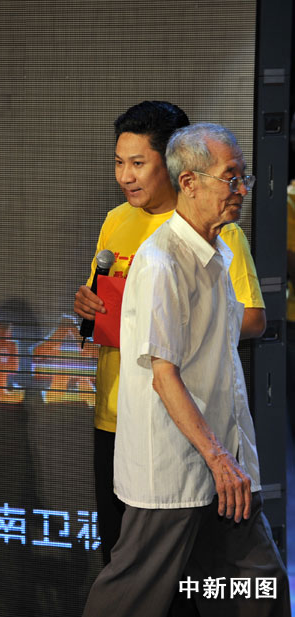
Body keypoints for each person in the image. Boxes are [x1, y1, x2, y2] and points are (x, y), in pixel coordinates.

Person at [82, 123, 289, 616]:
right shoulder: (162, 262)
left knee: (259, 585)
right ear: (190, 182)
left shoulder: (218, 251)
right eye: (230, 177)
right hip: (175, 471)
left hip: (224, 467)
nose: (241, 190)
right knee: (132, 594)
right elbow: (164, 374)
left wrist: (228, 459)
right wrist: (218, 459)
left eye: (243, 178)